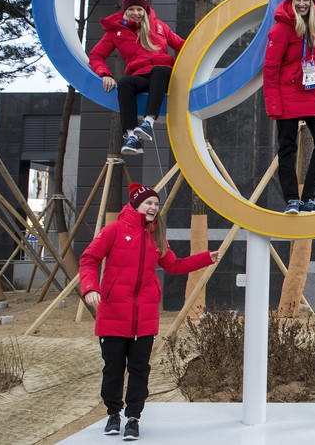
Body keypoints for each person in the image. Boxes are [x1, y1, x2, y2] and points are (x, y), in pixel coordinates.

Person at [79, 183, 219, 440]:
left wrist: (205, 258)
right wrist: (90, 287)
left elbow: (174, 265)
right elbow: (89, 259)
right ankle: (113, 413)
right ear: (136, 204)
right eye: (149, 203)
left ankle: (133, 418)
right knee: (112, 369)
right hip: (112, 315)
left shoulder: (156, 236)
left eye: (156, 204)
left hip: (144, 317)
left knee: (139, 369)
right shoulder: (115, 230)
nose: (154, 207)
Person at [262, 0, 315, 215]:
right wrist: (273, 105)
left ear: (313, 2)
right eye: (298, 0)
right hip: (288, 96)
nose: (302, 4)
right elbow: (270, 69)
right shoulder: (282, 29)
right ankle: (292, 199)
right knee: (288, 148)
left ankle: (307, 198)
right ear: (292, 2)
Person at [89, 0, 184, 156]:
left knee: (159, 70)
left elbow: (183, 46)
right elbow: (96, 55)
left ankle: (148, 121)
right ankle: (132, 137)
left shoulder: (159, 26)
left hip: (164, 75)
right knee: (125, 83)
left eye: (139, 9)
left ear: (145, 9)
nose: (136, 13)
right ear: (125, 11)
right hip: (141, 76)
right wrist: (104, 74)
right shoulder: (116, 32)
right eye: (131, 9)